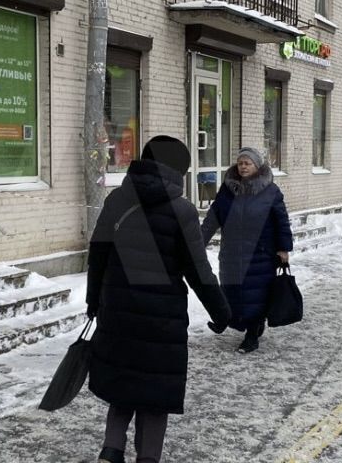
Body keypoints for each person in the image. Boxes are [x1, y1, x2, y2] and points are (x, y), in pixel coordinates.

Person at [86, 135, 232, 463]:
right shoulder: (181, 210)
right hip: (161, 318)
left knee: (123, 386)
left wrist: (94, 302)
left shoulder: (116, 200)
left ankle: (111, 451)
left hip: (118, 310)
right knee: (154, 393)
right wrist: (221, 311)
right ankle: (148, 457)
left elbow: (97, 255)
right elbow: (198, 270)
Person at [200, 147, 294, 354]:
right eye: (240, 163)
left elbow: (281, 221)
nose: (243, 167)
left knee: (256, 293)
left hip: (260, 253)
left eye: (247, 163)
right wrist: (198, 242)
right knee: (231, 289)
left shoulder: (270, 191)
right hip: (232, 252)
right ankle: (226, 318)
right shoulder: (227, 189)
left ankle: (252, 334)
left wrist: (284, 248)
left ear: (257, 166)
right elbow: (212, 218)